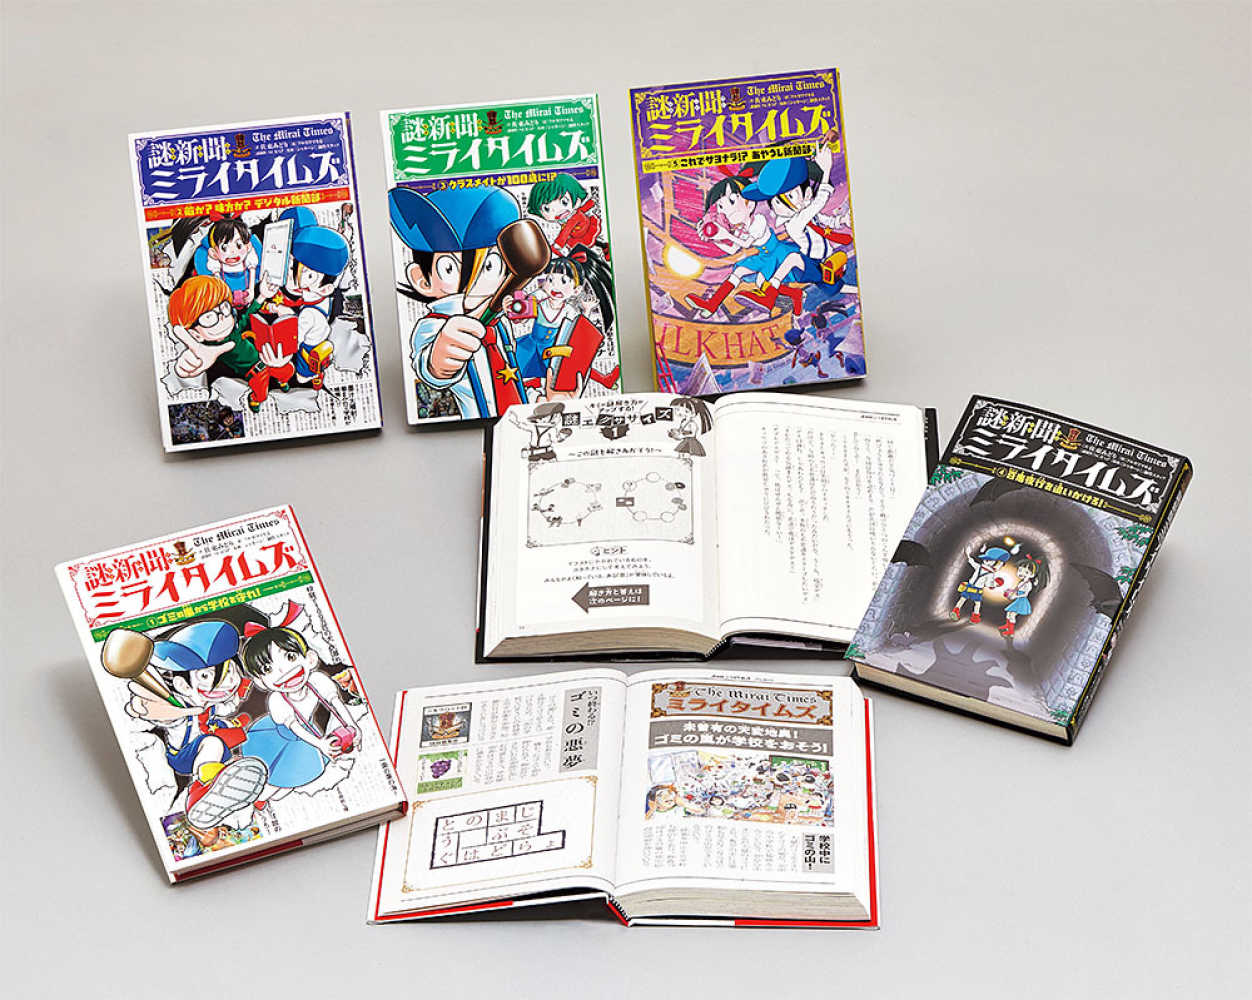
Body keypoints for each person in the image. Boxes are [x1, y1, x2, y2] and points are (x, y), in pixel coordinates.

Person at [389, 186, 531, 419]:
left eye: (490, 265)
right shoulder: (434, 325)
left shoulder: (498, 322)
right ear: (422, 280)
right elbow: (431, 367)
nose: (477, 282)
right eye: (449, 268)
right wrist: (440, 360)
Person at [238, 614, 359, 810]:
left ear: (310, 659)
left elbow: (336, 704)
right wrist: (319, 744)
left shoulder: (318, 681)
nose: (283, 670)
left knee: (292, 780)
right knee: (274, 776)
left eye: (290, 657)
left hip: (306, 735)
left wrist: (352, 727)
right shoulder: (278, 700)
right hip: (278, 737)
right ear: (260, 681)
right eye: (268, 669)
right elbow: (294, 727)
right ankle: (252, 801)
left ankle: (264, 800)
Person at [951, 539, 1021, 624]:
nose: (986, 561)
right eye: (986, 559)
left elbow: (972, 563)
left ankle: (958, 612)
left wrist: (968, 555)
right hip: (975, 589)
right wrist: (996, 584)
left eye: (988, 560)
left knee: (965, 600)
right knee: (974, 603)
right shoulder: (987, 572)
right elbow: (988, 583)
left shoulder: (982, 568)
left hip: (971, 587)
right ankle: (972, 616)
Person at [1000, 553, 1049, 637]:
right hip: (1018, 599)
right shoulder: (1022, 582)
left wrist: (1016, 596)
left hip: (1021, 601)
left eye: (1026, 572)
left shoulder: (1028, 584)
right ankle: (1007, 626)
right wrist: (1010, 591)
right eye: (1020, 570)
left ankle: (1010, 631)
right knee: (1009, 613)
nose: (1022, 573)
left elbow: (1025, 594)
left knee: (1012, 615)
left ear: (1032, 575)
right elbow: (1017, 589)